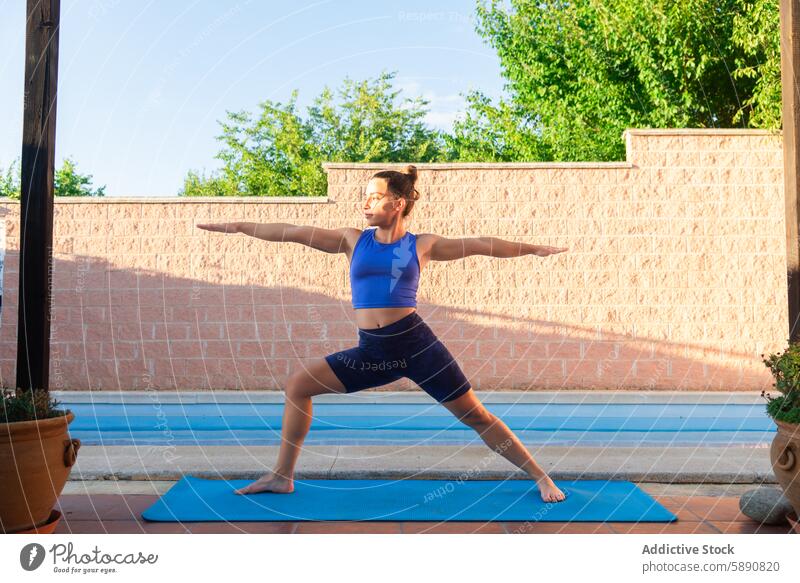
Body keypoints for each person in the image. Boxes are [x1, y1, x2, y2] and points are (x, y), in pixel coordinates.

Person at [196, 165, 569, 502]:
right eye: (366, 197)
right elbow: (292, 233)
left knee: (477, 417)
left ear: (399, 203)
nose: (366, 203)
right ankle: (282, 476)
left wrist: (531, 248)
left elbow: (481, 246)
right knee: (298, 385)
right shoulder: (351, 240)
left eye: (375, 197)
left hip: (417, 346)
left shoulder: (423, 244)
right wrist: (242, 226)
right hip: (372, 352)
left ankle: (540, 476)